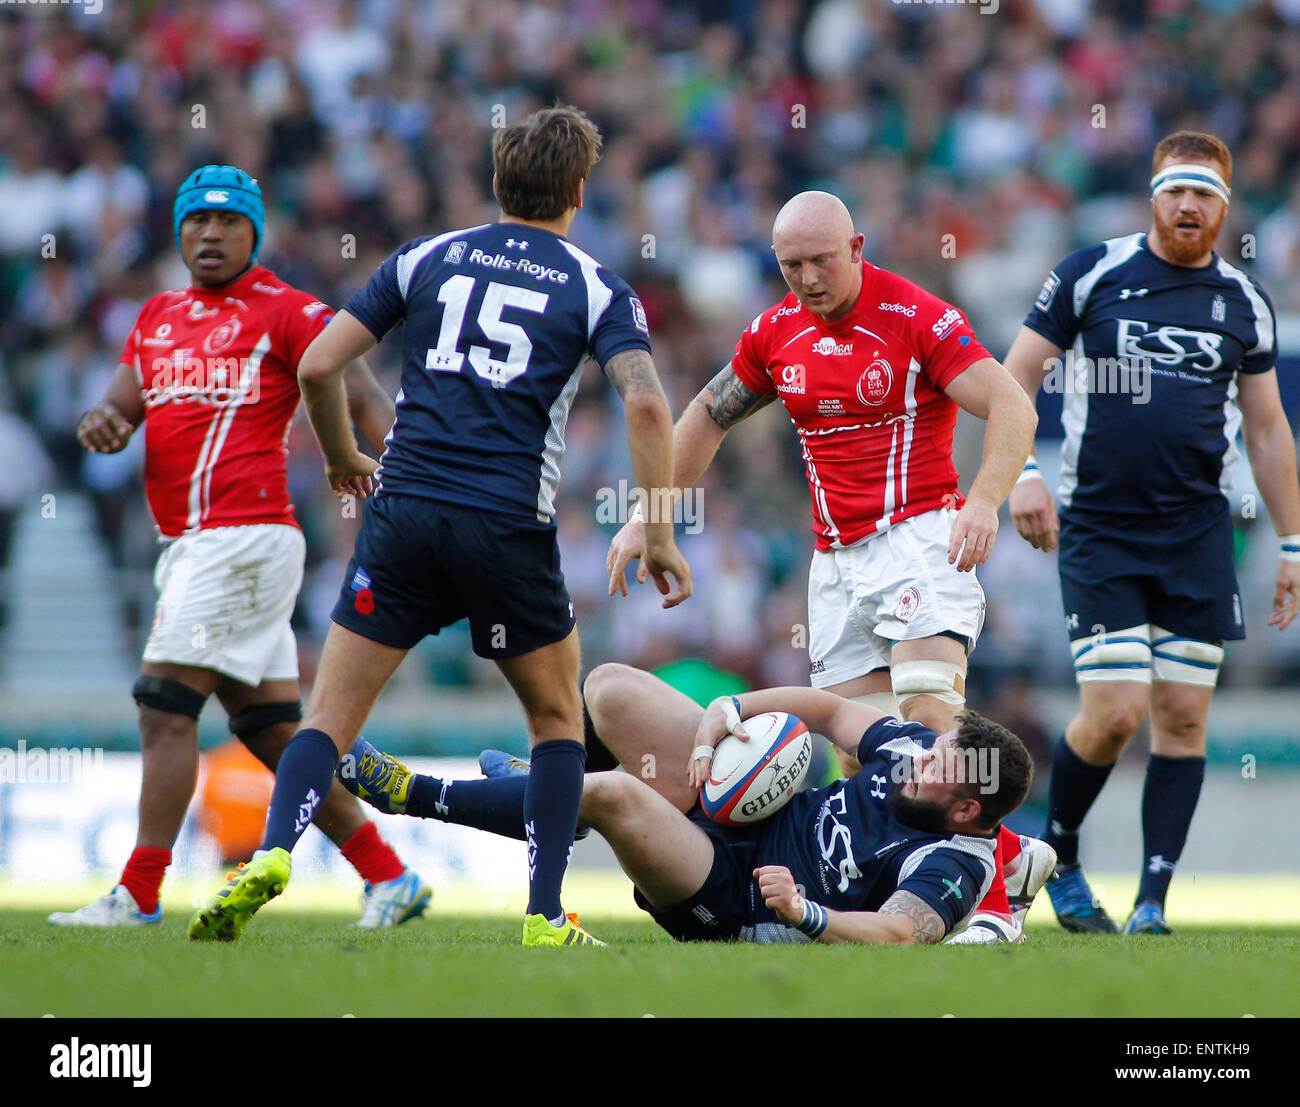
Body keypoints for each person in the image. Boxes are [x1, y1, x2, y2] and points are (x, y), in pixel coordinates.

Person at [189, 107, 692, 947]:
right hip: (505, 525)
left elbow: (319, 362)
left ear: (497, 185)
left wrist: (346, 453)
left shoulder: (427, 256)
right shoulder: (597, 283)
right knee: (557, 722)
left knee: (328, 717)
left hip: (405, 513)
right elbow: (644, 398)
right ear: (578, 190)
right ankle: (543, 915)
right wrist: (659, 524)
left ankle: (272, 853)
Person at [607, 190, 1046, 938]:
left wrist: (984, 501)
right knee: (858, 752)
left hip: (920, 535)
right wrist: (649, 514)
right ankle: (974, 873)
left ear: (858, 247)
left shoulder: (915, 316)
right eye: (790, 265)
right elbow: (708, 416)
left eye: (820, 260)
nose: (807, 278)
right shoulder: (775, 332)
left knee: (927, 710)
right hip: (837, 561)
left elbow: (1012, 404)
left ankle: (997, 907)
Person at [52, 165, 430, 930]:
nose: (211, 234)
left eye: (228, 222)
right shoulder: (155, 316)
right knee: (268, 729)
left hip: (241, 534)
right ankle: (390, 875)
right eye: (197, 221)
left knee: (163, 707)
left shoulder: (286, 309)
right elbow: (120, 409)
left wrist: (407, 481)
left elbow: (359, 392)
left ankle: (141, 890)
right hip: (195, 543)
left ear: (254, 231)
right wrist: (102, 421)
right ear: (178, 231)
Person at [1004, 131, 1300, 935]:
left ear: (1225, 207)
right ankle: (1057, 855)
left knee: (1182, 714)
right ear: (1153, 194)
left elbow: (1269, 431)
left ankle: (1151, 905)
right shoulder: (1090, 273)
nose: (1188, 205)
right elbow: (1015, 374)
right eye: (1176, 189)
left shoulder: (1244, 301)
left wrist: (1294, 545)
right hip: (1099, 528)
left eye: (1204, 193)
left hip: (1200, 534)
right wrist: (1022, 474)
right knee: (1115, 711)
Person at [338, 662, 1043, 946]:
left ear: (966, 812)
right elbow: (828, 710)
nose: (916, 761)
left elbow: (898, 935)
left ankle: (412, 793)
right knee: (609, 686)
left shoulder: (956, 859)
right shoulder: (917, 751)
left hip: (732, 896)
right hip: (749, 808)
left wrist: (806, 911)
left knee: (613, 793)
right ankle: (553, 792)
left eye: (934, 769)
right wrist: (730, 709)